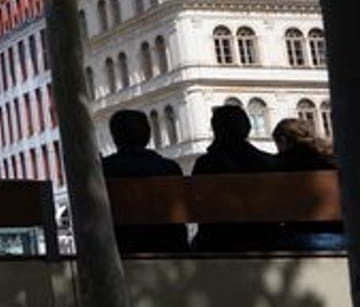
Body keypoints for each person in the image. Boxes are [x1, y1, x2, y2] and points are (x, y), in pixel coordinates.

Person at [191, 105, 279, 251]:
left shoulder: (206, 163)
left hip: (216, 241)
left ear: (216, 130)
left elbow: (195, 206)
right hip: (264, 239)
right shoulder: (268, 162)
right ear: (247, 129)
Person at [100, 109, 188, 254]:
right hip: (169, 248)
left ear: (115, 137)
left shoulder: (103, 170)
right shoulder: (168, 168)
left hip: (121, 249)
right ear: (148, 135)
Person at [272, 117, 346, 251]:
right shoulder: (332, 159)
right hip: (342, 235)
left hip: (301, 237)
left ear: (283, 140)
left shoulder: (280, 164)